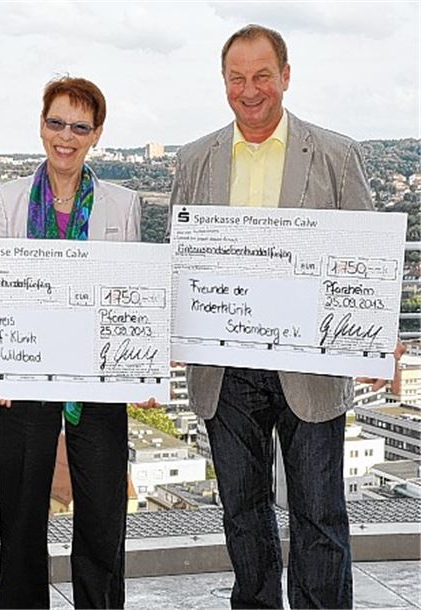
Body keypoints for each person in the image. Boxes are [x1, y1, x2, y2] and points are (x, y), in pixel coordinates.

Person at [170, 24, 401, 609]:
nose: (250, 91)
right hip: (226, 371)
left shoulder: (336, 154)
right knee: (243, 515)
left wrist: (378, 338)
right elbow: (178, 262)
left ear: (286, 77)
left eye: (262, 76)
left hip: (311, 368)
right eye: (237, 78)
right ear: (224, 82)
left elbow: (364, 259)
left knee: (319, 515)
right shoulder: (195, 160)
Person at [0, 77, 150, 609]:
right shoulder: (6, 201)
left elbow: (130, 296)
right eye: (57, 122)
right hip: (24, 381)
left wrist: (140, 366)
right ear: (41, 126)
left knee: (103, 518)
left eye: (80, 126)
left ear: (97, 135)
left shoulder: (122, 204)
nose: (66, 136)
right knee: (21, 517)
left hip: (97, 384)